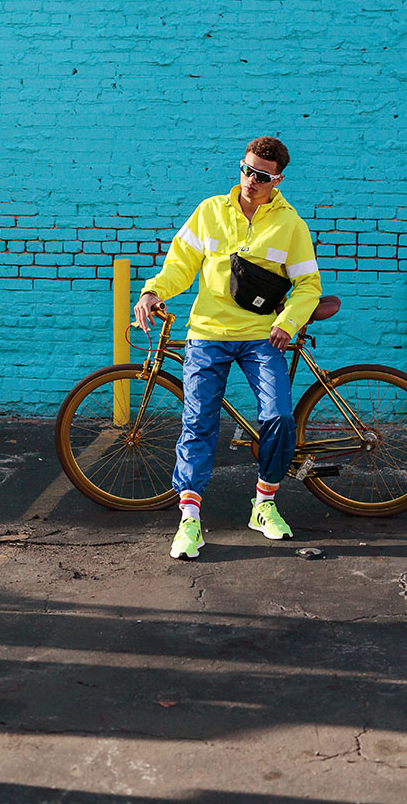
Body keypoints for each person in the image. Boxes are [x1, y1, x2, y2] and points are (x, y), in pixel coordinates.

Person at [134, 136, 322, 560]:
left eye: (262, 176)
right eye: (246, 170)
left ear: (278, 180)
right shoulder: (210, 211)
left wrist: (287, 322)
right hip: (207, 334)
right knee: (199, 422)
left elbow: (308, 285)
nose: (251, 180)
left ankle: (264, 503)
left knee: (279, 417)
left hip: (261, 336)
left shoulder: (290, 224)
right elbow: (180, 264)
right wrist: (152, 291)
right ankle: (189, 519)